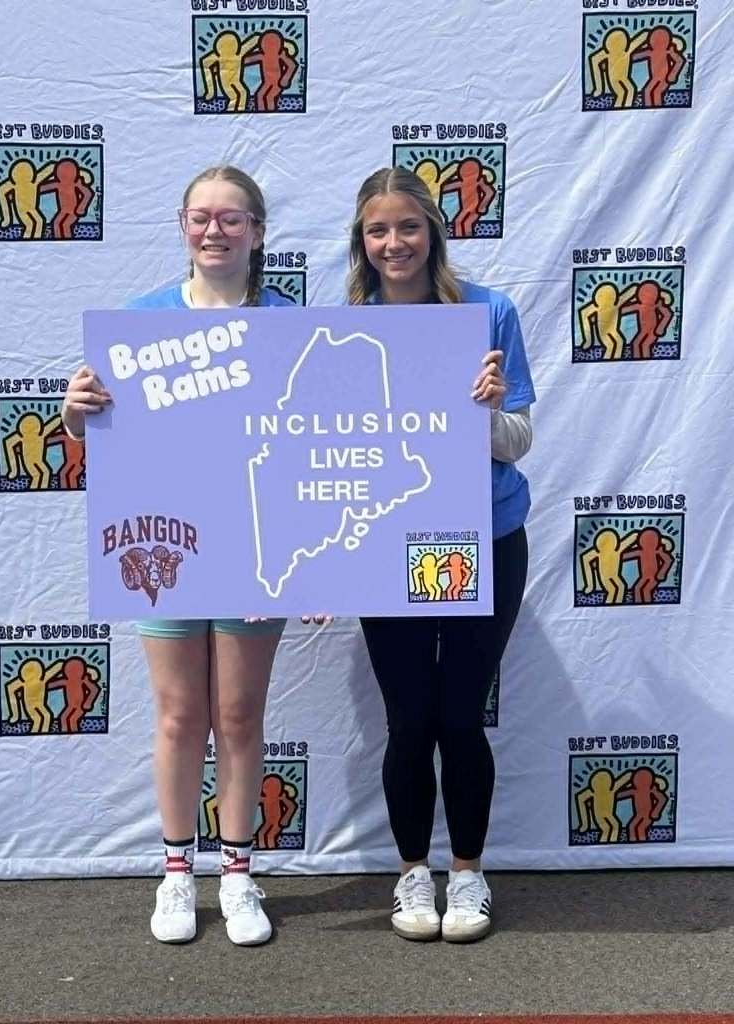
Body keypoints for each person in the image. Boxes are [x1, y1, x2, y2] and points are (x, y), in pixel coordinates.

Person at [62, 165, 322, 947]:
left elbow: (317, 451)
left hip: (258, 550)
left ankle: (238, 874)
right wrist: (76, 416)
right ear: (182, 225)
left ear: (258, 231)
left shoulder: (291, 323)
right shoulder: (140, 324)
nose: (216, 231)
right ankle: (178, 873)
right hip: (164, 548)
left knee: (239, 715)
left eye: (232, 218)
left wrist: (318, 560)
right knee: (180, 716)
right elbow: (106, 439)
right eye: (202, 217)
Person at [347, 166, 535, 943]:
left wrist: (488, 413)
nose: (394, 243)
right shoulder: (344, 323)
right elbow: (322, 453)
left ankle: (467, 873)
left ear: (433, 231)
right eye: (377, 230)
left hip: (479, 538)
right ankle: (411, 875)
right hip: (390, 542)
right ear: (362, 241)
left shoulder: (488, 312)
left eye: (407, 226)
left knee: (460, 716)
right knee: (408, 720)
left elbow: (519, 442)